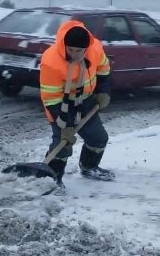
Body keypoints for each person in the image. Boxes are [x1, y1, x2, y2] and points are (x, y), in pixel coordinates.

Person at [39, 20, 113, 194]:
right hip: (60, 105)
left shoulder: (95, 49)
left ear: (86, 48)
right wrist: (66, 125)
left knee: (98, 138)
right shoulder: (51, 61)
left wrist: (103, 91)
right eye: (70, 49)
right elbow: (51, 98)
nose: (73, 54)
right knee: (63, 144)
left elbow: (104, 69)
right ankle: (51, 179)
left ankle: (89, 166)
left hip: (86, 101)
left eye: (78, 51)